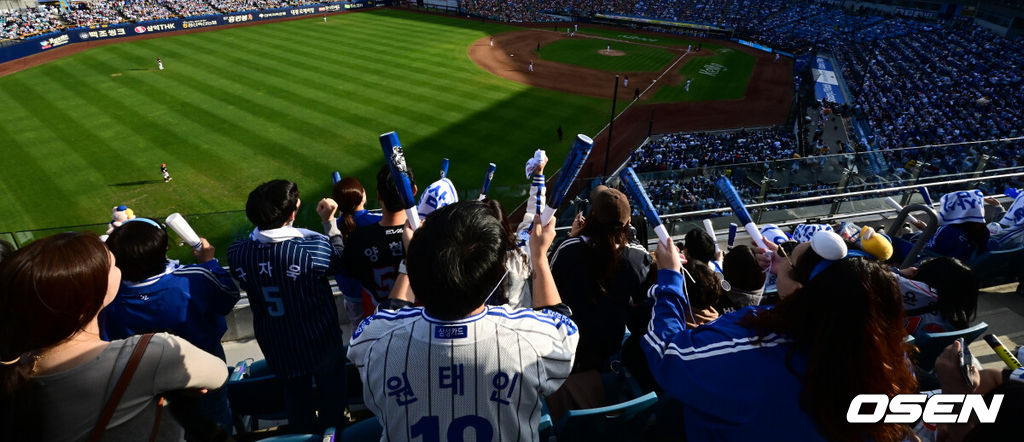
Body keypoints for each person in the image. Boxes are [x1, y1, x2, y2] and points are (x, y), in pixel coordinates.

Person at [643, 231, 917, 442]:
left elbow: (666, 353)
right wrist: (789, 267)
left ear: (800, 290)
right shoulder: (887, 359)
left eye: (789, 256)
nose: (781, 256)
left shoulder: (750, 345)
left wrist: (670, 279)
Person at [348, 200, 578, 441]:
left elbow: (386, 316)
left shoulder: (376, 341)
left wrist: (409, 262)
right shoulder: (527, 340)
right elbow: (559, 322)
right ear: (496, 275)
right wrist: (539, 257)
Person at [0, 232, 227, 441]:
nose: (119, 268)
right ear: (93, 296)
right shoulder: (154, 352)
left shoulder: (16, 368)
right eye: (113, 265)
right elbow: (218, 374)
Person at [227, 179, 347, 433]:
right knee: (332, 396)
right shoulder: (309, 249)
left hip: (277, 342)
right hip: (320, 341)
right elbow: (338, 258)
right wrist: (329, 223)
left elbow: (252, 245)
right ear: (292, 214)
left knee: (296, 398)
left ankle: (303, 434)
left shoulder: (238, 252)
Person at [102, 218, 240, 435]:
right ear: (164, 249)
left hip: (145, 377)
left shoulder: (109, 298)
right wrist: (209, 263)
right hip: (203, 365)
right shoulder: (193, 277)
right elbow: (228, 296)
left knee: (166, 426)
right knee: (215, 417)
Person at [550, 185, 653, 373]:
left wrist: (574, 237)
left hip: (566, 346)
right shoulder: (639, 257)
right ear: (628, 222)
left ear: (592, 217)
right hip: (611, 347)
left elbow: (547, 287)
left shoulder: (568, 248)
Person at [339, 164, 416, 321]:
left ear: (379, 195)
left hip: (374, 332)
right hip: (419, 330)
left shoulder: (358, 238)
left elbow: (349, 288)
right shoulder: (429, 239)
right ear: (413, 191)